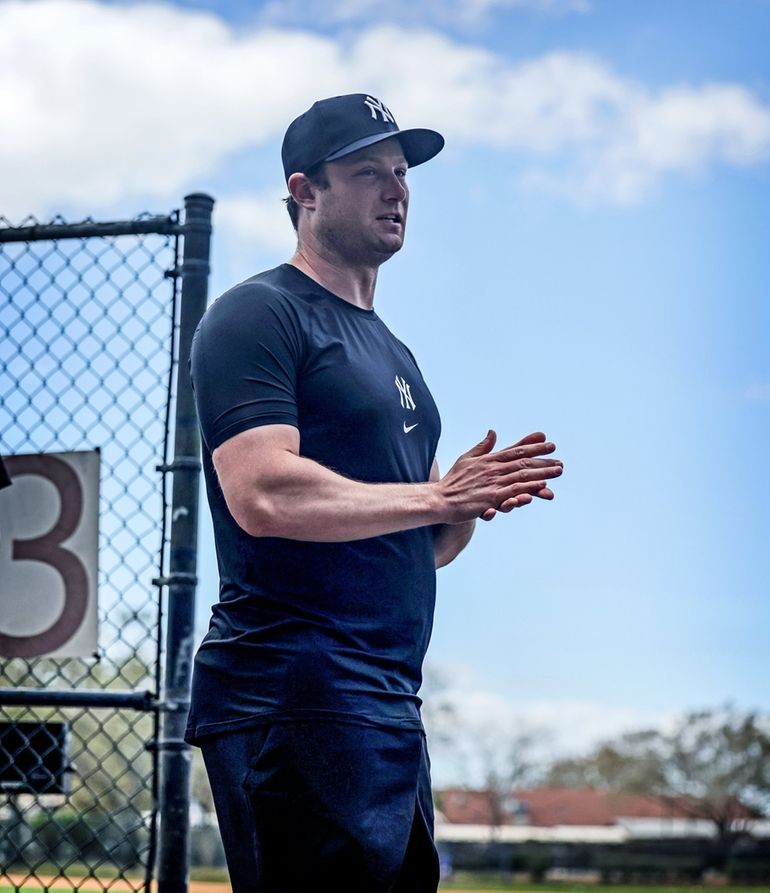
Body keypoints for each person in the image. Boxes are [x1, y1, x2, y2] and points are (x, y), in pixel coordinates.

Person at [185, 93, 563, 892]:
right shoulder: (257, 315)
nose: (396, 190)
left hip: (390, 700)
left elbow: (422, 544)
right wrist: (434, 497)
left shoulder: (395, 354)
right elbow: (264, 492)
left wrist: (465, 503)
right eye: (367, 173)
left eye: (400, 173)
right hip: (295, 692)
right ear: (304, 191)